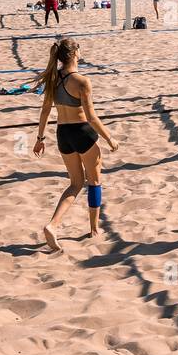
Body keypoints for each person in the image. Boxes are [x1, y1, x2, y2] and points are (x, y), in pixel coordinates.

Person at [32, 38, 119, 252]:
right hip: (82, 133)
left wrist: (40, 139)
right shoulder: (82, 81)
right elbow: (91, 117)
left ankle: (52, 225)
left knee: (75, 183)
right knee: (95, 181)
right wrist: (109, 138)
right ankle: (94, 229)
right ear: (75, 53)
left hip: (63, 134)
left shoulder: (53, 78)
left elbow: (45, 111)